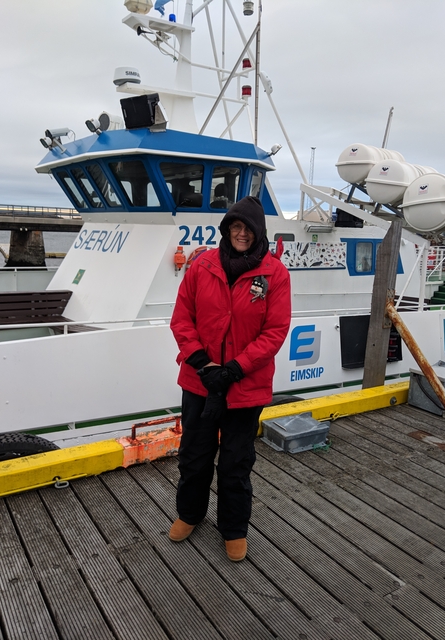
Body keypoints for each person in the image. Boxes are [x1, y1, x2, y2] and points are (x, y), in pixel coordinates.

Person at [169, 196, 291, 561]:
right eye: (235, 227)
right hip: (199, 382)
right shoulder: (202, 266)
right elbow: (181, 319)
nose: (241, 234)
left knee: (236, 463)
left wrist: (235, 369)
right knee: (194, 456)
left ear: (258, 233)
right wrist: (204, 365)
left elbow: (275, 331)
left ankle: (234, 529)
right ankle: (189, 514)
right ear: (226, 230)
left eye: (248, 229)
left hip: (245, 387)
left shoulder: (275, 275)